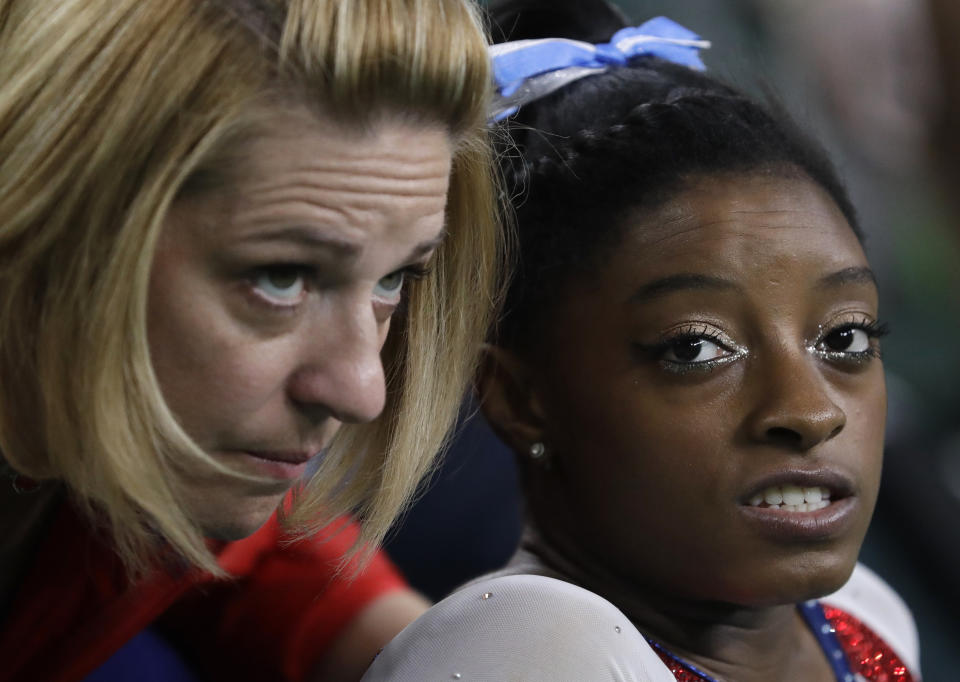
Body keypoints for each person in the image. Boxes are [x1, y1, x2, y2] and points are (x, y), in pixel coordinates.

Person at [361, 2, 921, 680]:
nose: (810, 412)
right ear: (519, 398)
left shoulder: (863, 614)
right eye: (695, 348)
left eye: (845, 336)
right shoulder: (528, 649)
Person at [0, 0, 501, 680]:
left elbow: (255, 559)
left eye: (395, 279)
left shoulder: (161, 444)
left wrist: (427, 658)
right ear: (43, 224)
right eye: (281, 276)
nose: (363, 389)